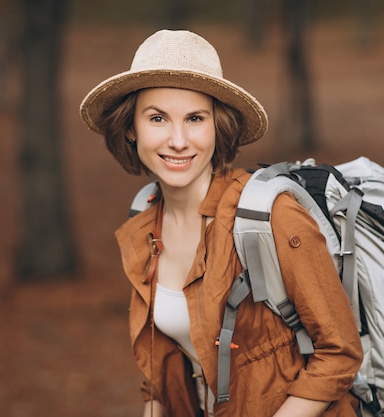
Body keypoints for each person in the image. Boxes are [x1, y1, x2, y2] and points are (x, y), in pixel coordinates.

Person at [79, 29, 363, 417]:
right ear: (131, 129)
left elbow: (340, 353)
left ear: (218, 126)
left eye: (195, 118)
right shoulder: (144, 223)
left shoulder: (272, 215)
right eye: (158, 118)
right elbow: (159, 375)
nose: (178, 140)